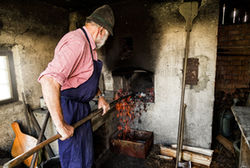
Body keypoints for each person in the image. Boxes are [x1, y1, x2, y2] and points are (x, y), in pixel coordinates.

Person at [38, 5, 114, 168]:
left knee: (85, 159)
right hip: (69, 111)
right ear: (101, 30)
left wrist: (100, 96)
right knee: (75, 161)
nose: (105, 41)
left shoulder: (89, 46)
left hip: (82, 110)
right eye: (107, 36)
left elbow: (84, 79)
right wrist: (60, 124)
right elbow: (49, 80)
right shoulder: (77, 42)